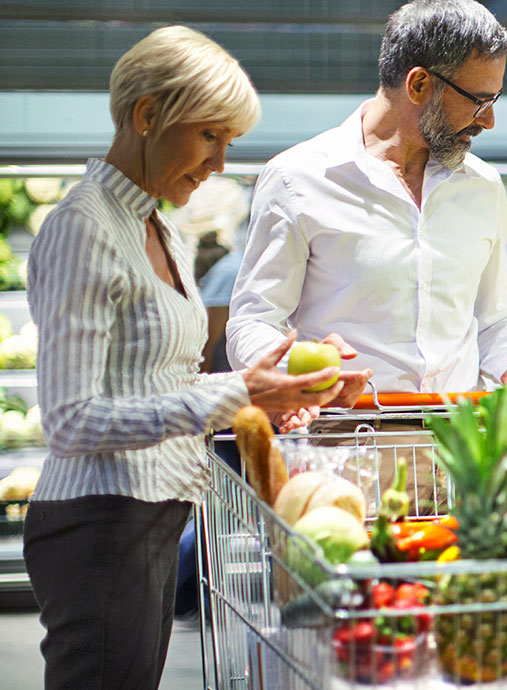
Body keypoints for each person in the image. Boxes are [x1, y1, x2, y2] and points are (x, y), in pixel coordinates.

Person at [21, 26, 368, 690]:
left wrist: (283, 382)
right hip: (99, 521)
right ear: (148, 115)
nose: (218, 163)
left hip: (150, 513)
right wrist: (239, 393)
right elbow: (70, 420)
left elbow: (163, 383)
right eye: (210, 136)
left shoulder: (161, 227)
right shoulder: (82, 228)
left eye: (228, 143)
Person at [226, 0, 507, 426]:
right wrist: (301, 368)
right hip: (344, 452)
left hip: (459, 454)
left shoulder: (482, 187)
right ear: (419, 84)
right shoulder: (298, 179)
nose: (490, 120)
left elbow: (492, 317)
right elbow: (252, 323)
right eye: (479, 101)